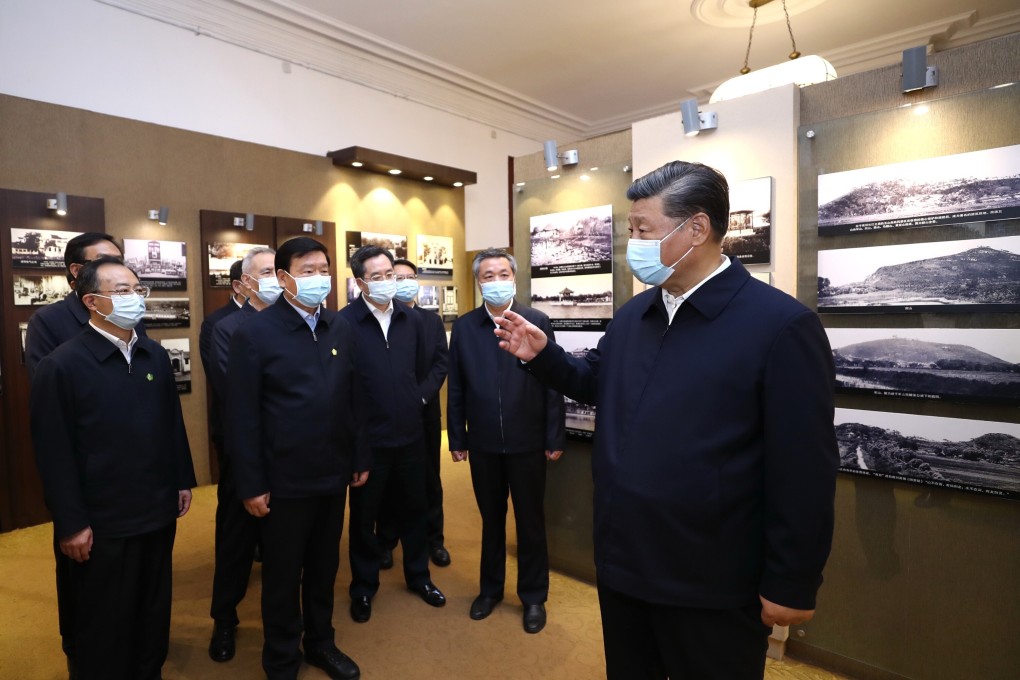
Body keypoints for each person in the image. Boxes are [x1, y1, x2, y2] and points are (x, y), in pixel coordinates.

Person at [493, 161, 839, 679]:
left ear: (696, 229)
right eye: (631, 230)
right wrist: (544, 358)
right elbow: (597, 382)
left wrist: (792, 581)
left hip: (712, 581)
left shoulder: (780, 326)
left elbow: (804, 468)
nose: (632, 243)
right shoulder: (635, 315)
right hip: (625, 561)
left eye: (643, 230)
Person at [30, 256, 196, 680]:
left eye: (137, 289)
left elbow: (171, 424)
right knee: (104, 620)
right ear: (91, 301)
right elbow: (53, 453)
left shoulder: (154, 355)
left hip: (155, 511)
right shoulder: (61, 365)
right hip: (102, 522)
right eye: (121, 291)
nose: (134, 298)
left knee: (152, 608)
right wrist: (70, 524)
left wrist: (182, 479)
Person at [226, 237, 368, 680]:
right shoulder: (254, 332)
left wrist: (359, 454)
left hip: (333, 472)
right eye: (308, 271)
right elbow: (241, 416)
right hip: (283, 479)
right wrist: (251, 483)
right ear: (284, 278)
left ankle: (321, 643)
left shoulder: (340, 327)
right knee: (283, 575)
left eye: (324, 269)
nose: (319, 278)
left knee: (324, 567)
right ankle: (282, 657)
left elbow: (354, 397)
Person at [447, 248, 565, 634]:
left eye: (503, 274)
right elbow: (457, 386)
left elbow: (553, 383)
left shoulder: (536, 321)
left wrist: (554, 435)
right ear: (478, 282)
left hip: (528, 441)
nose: (496, 281)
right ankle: (490, 590)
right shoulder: (465, 328)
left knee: (530, 521)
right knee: (491, 520)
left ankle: (533, 597)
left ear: (514, 278)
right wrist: (457, 436)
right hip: (483, 443)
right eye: (488, 276)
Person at [339, 245, 446, 625]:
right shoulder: (344, 323)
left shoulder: (411, 319)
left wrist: (416, 398)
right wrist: (355, 446)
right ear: (360, 282)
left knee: (415, 510)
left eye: (391, 275)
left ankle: (419, 577)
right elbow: (343, 387)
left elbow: (420, 370)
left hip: (411, 436)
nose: (387, 282)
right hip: (369, 441)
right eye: (378, 277)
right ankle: (363, 587)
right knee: (364, 519)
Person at [206, 247, 277, 663]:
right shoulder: (227, 328)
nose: (274, 278)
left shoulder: (294, 322)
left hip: (289, 455)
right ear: (246, 282)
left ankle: (283, 626)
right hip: (246, 454)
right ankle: (224, 619)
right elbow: (235, 393)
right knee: (236, 543)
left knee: (283, 546)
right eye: (266, 271)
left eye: (278, 271)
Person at [376, 258, 451, 569]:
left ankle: (434, 539)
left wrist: (419, 396)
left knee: (429, 478)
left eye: (410, 276)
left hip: (424, 412)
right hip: (390, 416)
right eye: (398, 277)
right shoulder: (383, 320)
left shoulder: (431, 321)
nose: (405, 282)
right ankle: (387, 540)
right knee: (389, 481)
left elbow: (441, 363)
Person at [25, 232, 137, 380]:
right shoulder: (47, 320)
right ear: (77, 270)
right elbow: (46, 383)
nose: (115, 269)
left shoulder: (129, 312)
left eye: (118, 262)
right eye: (104, 262)